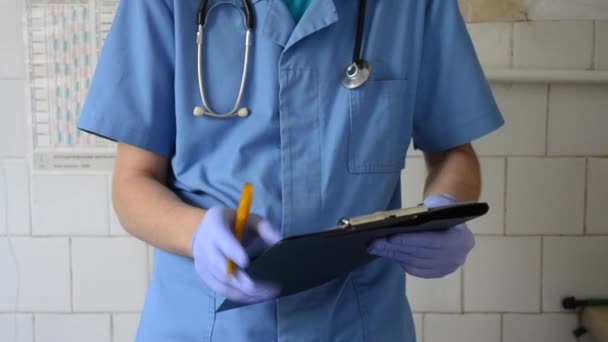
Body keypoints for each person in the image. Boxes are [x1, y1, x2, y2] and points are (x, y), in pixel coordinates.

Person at [78, 0, 504, 340]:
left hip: (358, 322)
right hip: (205, 323)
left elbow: (453, 153)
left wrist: (445, 210)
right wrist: (194, 231)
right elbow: (132, 181)